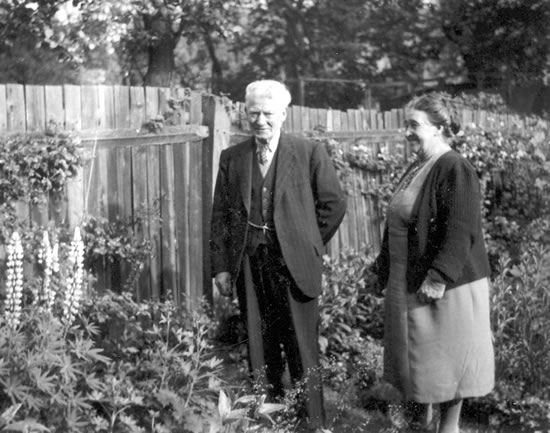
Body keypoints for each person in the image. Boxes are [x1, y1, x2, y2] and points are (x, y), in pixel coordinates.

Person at [210, 79, 347, 432]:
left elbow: (334, 205)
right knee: (259, 347)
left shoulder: (308, 152)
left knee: (303, 349)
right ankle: (267, 422)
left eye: (268, 113)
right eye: (253, 113)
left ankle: (313, 425)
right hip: (250, 267)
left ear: (283, 114)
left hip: (295, 268)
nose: (259, 121)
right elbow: (221, 216)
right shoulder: (233, 158)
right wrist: (222, 267)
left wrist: (307, 243)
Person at [371, 92, 495, 433]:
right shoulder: (418, 166)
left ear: (439, 128)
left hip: (444, 287)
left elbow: (461, 228)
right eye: (406, 125)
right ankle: (418, 428)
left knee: (445, 366)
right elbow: (398, 225)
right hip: (406, 281)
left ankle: (447, 430)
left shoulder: (454, 167)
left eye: (414, 125)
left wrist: (438, 277)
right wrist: (380, 270)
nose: (406, 132)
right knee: (415, 367)